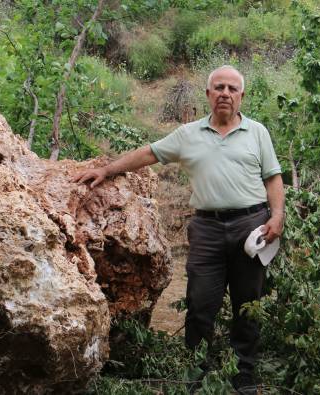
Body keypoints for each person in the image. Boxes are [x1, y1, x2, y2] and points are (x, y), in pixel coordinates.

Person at [72, 65, 285, 394]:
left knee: (248, 304)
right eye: (219, 88)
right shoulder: (188, 135)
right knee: (200, 304)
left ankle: (244, 374)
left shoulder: (258, 132)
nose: (225, 93)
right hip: (207, 229)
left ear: (241, 95)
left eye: (232, 88)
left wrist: (278, 215)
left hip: (250, 226)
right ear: (208, 95)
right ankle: (196, 372)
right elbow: (149, 153)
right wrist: (107, 169)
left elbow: (272, 177)